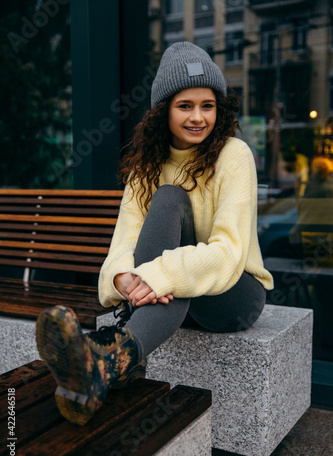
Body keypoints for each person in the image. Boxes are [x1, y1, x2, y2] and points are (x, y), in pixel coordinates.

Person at [36, 42, 274, 426]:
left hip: (235, 296)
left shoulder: (235, 155)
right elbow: (123, 246)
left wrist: (158, 274)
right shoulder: (145, 167)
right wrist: (124, 277)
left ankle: (106, 354)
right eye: (185, 106)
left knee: (170, 223)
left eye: (207, 106)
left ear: (219, 109)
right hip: (172, 301)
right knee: (167, 199)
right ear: (164, 111)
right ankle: (114, 365)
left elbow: (229, 253)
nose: (198, 117)